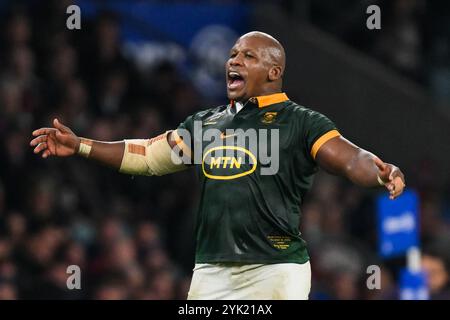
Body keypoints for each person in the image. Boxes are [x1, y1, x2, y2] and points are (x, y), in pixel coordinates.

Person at [30, 31, 406, 300]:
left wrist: (380, 171)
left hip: (275, 268)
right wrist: (81, 145)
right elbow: (147, 157)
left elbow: (349, 158)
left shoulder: (302, 121)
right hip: (211, 270)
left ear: (274, 73)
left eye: (247, 56)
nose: (233, 61)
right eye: (232, 55)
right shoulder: (204, 123)